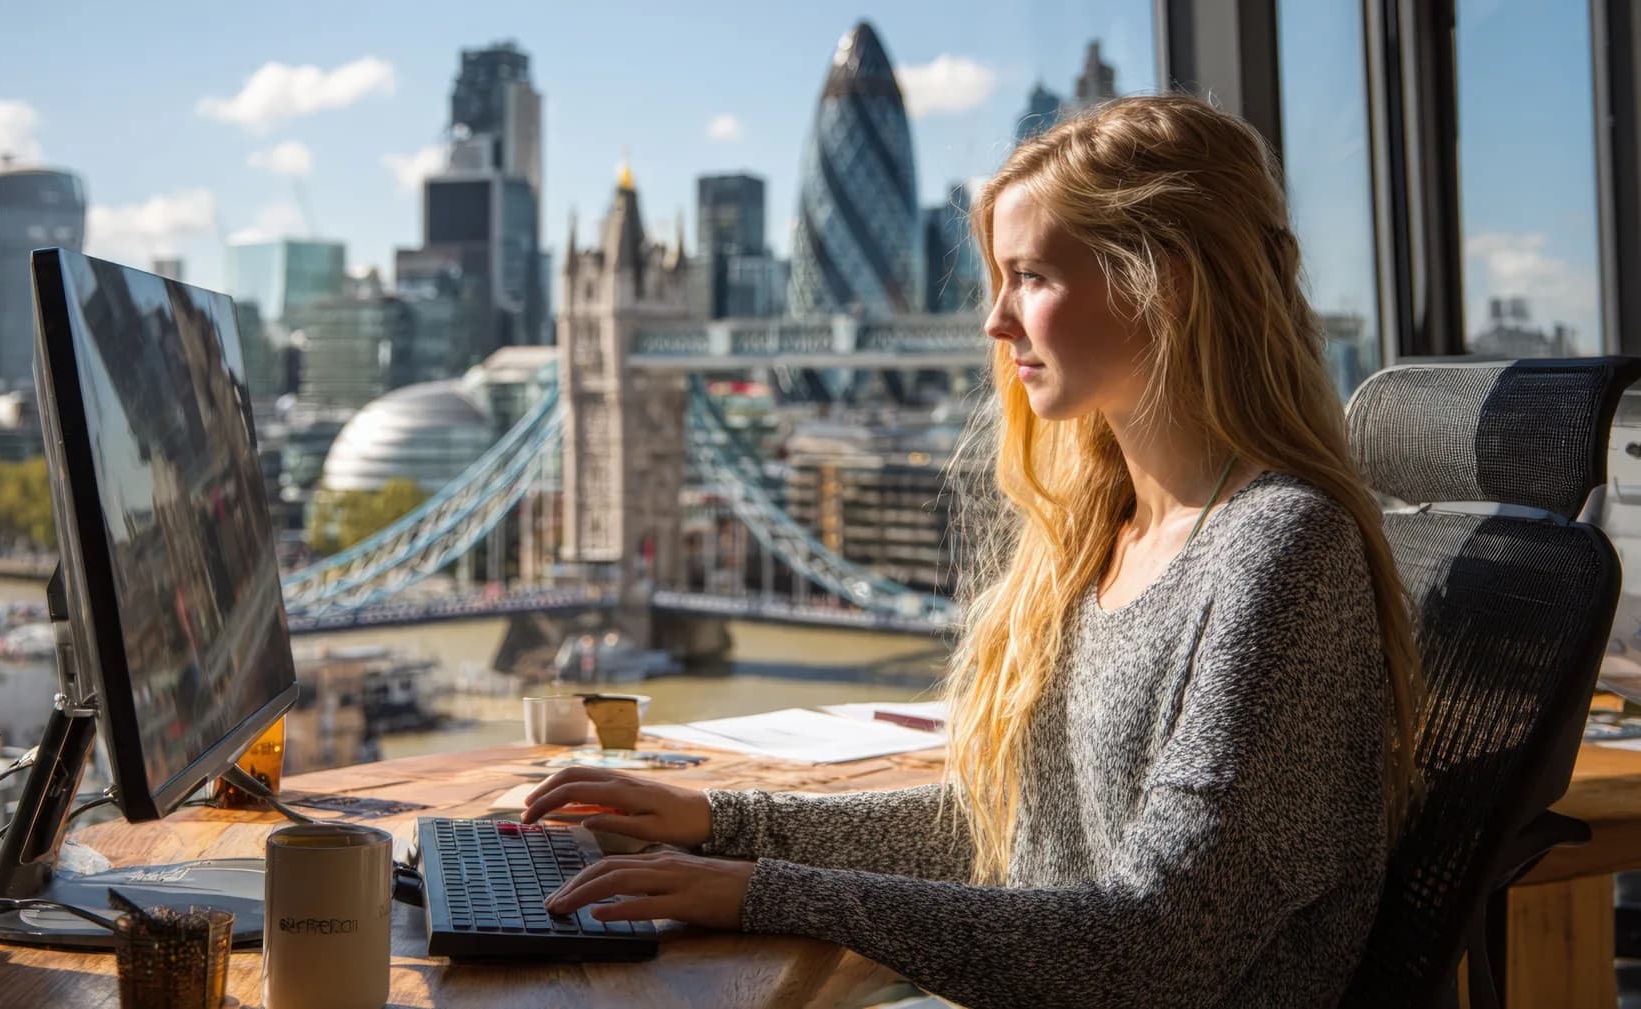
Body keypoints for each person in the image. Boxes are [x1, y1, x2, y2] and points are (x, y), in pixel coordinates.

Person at [523, 94, 1422, 1009]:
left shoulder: (1279, 549)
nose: (994, 321)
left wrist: (766, 891)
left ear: (1169, 279)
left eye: (1030, 276)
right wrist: (723, 823)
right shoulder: (1102, 538)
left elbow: (1157, 947)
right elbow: (1005, 831)